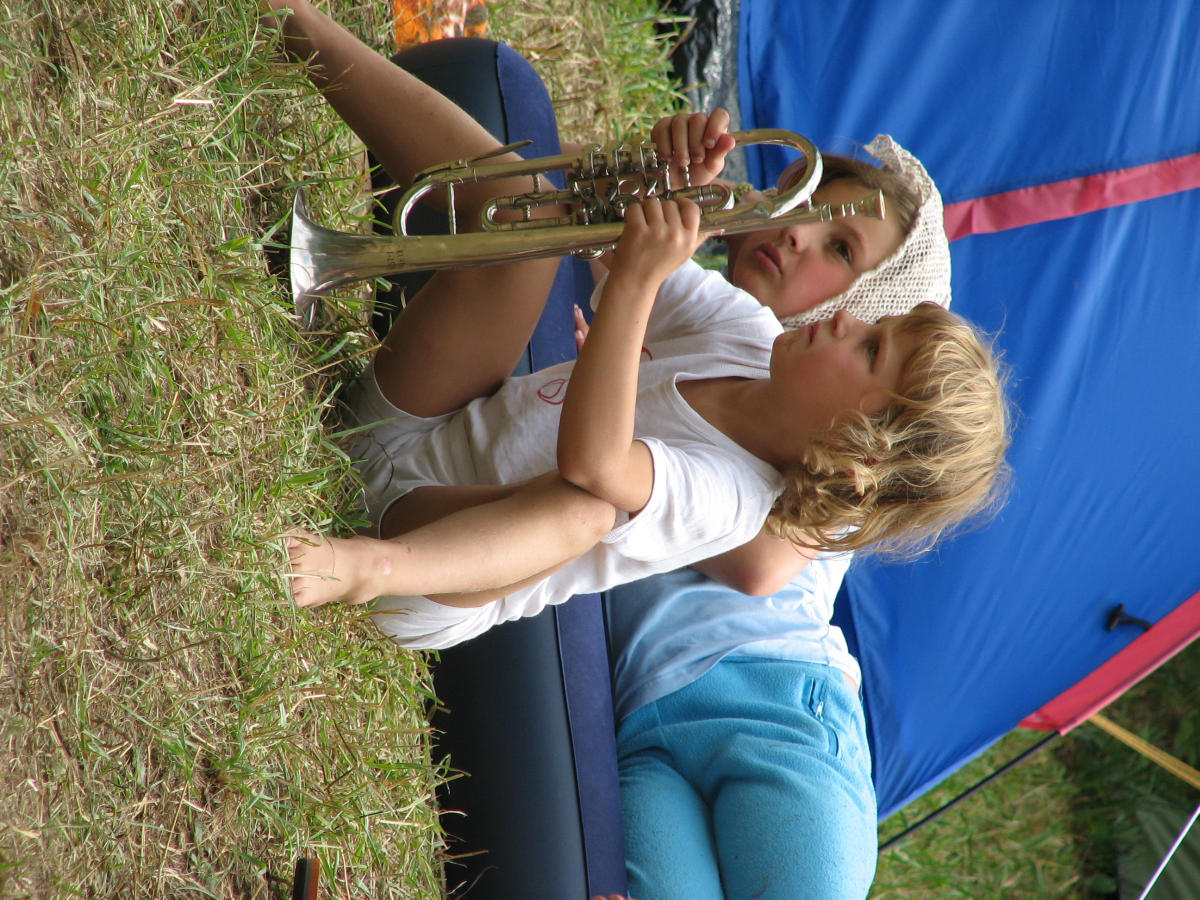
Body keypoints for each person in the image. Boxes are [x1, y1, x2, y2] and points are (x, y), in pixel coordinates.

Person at [264, 0, 1007, 655]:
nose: (847, 318)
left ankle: (359, 571)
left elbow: (596, 466)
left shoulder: (735, 498)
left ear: (856, 452)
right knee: (534, 212)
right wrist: (662, 186)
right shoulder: (747, 331)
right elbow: (603, 243)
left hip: (420, 558)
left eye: (871, 347)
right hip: (409, 432)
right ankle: (301, 27)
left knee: (587, 511)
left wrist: (635, 289)